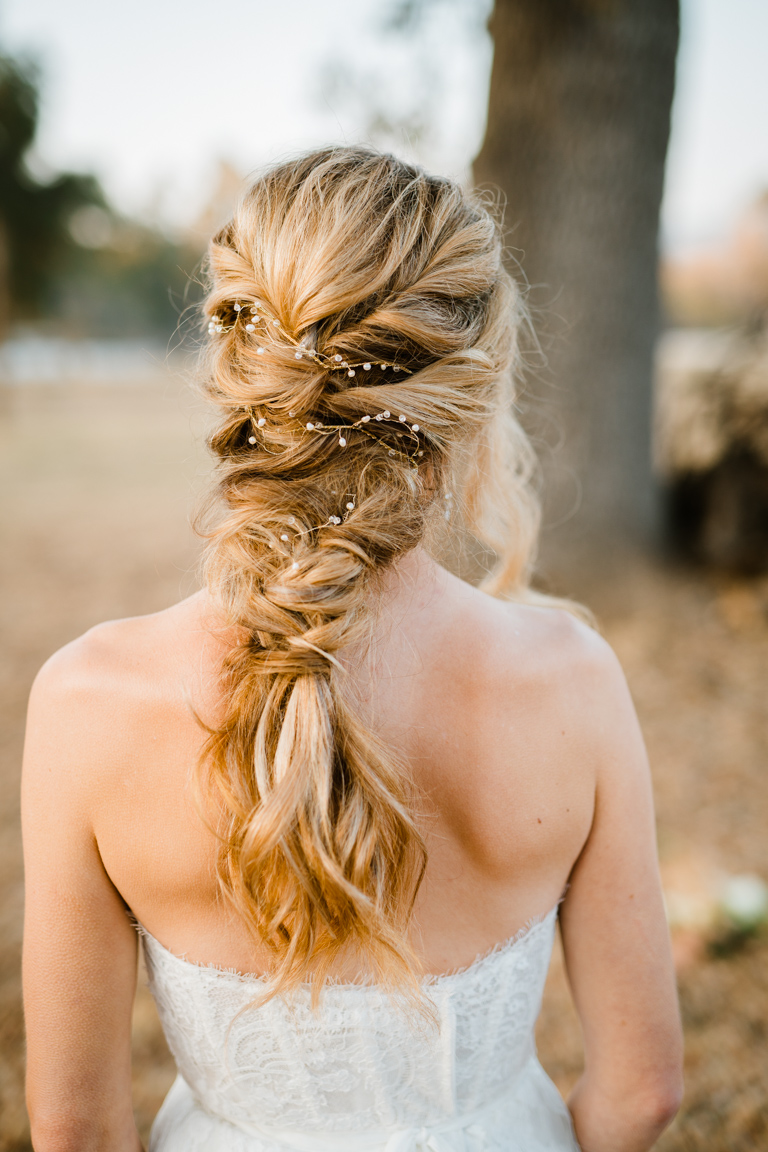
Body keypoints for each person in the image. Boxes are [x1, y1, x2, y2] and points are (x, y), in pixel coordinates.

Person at [22, 147, 683, 1152]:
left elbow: (72, 1126)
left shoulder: (88, 702)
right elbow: (643, 1096)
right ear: (470, 393)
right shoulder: (573, 682)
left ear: (238, 368)